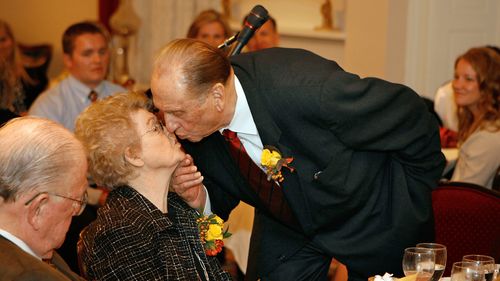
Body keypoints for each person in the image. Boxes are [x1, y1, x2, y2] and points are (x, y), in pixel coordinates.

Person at [150, 39, 445, 281]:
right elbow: (220, 191)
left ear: (216, 96)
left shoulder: (306, 89)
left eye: (177, 113)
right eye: (163, 112)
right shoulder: (197, 129)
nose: (170, 126)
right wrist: (198, 196)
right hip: (287, 221)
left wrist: (414, 192)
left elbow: (410, 115)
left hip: (368, 212)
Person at [75, 92, 232, 280]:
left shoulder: (177, 206)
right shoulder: (119, 233)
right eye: (156, 127)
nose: (169, 130)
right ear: (134, 156)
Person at [0, 117, 87, 280]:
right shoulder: (30, 275)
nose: (76, 212)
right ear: (38, 209)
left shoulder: (36, 249)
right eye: (76, 201)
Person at [29, 21, 125, 132]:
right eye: (87, 53)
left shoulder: (122, 97)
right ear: (68, 60)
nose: (98, 60)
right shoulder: (48, 106)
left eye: (102, 52)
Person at [450, 47, 500, 189]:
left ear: (489, 85)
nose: (457, 85)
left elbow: (462, 197)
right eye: (456, 77)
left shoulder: (487, 137)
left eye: (468, 79)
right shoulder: (477, 123)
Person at [1, 20, 48, 123]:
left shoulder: (33, 70)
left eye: (3, 39)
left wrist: (33, 114)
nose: (0, 46)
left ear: (12, 40)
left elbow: (46, 100)